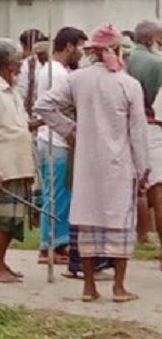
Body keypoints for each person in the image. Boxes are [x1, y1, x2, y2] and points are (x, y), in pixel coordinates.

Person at [35, 24, 150, 303]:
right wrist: (143, 168)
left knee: (87, 223)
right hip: (118, 164)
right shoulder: (128, 84)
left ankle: (89, 287)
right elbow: (138, 132)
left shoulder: (78, 79)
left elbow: (43, 106)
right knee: (119, 224)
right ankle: (119, 287)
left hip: (86, 162)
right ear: (117, 50)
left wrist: (70, 130)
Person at [0, 39, 36, 283]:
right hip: (4, 166)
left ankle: (1, 261)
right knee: (4, 216)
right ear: (11, 65)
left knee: (15, 217)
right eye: (19, 61)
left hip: (20, 163)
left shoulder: (13, 89)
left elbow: (19, 124)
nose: (21, 65)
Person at [29, 27, 87, 267]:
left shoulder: (50, 69)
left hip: (48, 138)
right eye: (81, 47)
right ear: (70, 46)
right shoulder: (59, 74)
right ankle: (52, 245)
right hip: (57, 141)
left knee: (54, 195)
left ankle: (51, 244)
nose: (82, 53)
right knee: (59, 196)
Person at [126, 21, 162, 257]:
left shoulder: (126, 61)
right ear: (151, 39)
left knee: (133, 188)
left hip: (127, 127)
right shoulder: (157, 63)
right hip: (152, 126)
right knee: (158, 190)